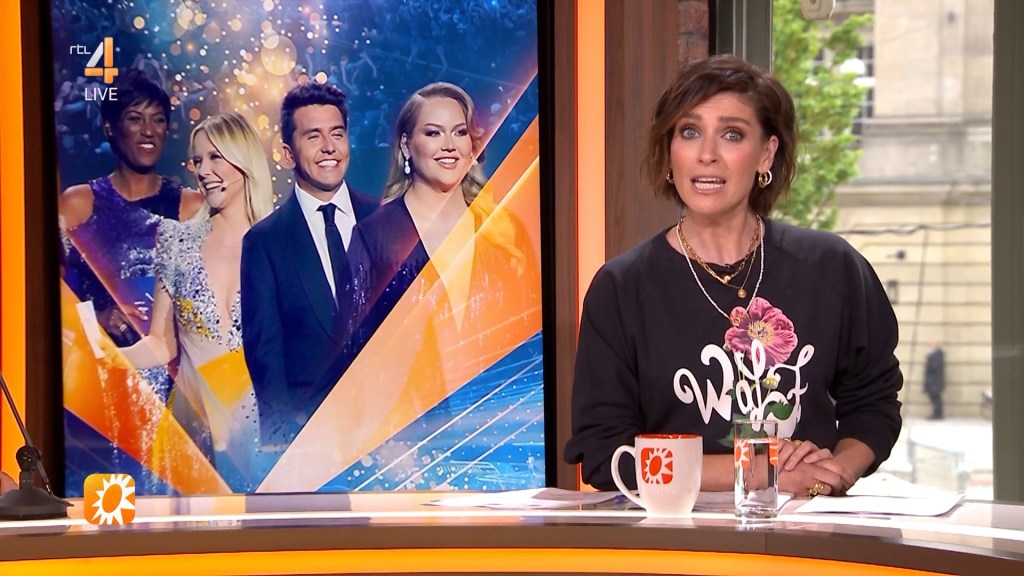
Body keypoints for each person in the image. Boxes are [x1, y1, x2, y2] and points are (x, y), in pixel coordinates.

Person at [564, 55, 903, 498]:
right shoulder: (621, 288)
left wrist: (828, 475)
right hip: (674, 536)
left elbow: (874, 405)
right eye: (689, 132)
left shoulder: (831, 266)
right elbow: (607, 454)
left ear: (766, 153)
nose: (706, 154)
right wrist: (764, 470)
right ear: (669, 152)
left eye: (731, 134)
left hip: (807, 526)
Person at [336, 82, 540, 408]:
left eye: (459, 133)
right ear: (406, 146)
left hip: (500, 421)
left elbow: (532, 345)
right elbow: (352, 357)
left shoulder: (504, 231)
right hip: (408, 429)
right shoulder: (374, 237)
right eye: (433, 133)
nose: (449, 146)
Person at [110, 112, 274, 490]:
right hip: (192, 430)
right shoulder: (177, 242)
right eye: (198, 161)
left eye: (215, 157)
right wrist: (107, 357)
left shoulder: (279, 240)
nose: (204, 171)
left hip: (259, 435)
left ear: (244, 159)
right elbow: (161, 344)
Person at [240, 82, 379, 447]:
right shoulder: (264, 242)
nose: (329, 147)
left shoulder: (385, 218)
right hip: (311, 441)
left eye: (337, 133)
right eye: (313, 136)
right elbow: (265, 356)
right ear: (288, 154)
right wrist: (280, 447)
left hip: (392, 431)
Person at [60, 69, 204, 353]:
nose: (149, 130)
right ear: (110, 128)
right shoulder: (78, 205)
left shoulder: (191, 208)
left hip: (176, 370)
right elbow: (41, 298)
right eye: (135, 119)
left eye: (158, 119)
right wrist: (97, 319)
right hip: (100, 366)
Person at [924, 344, 946, 420]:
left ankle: (937, 414)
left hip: (935, 383)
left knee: (936, 399)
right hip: (933, 383)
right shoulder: (936, 356)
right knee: (935, 399)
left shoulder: (936, 356)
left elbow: (934, 367)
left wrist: (929, 357)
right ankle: (937, 414)